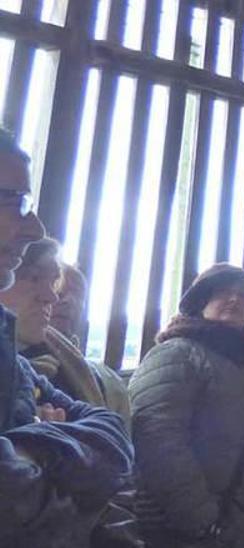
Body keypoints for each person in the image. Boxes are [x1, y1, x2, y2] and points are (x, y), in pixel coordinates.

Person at [0, 129, 132, 547]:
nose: (33, 225)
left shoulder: (12, 359)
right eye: (13, 201)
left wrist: (32, 448)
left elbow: (114, 434)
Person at [129, 263, 244, 547]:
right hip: (195, 532)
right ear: (200, 301)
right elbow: (158, 443)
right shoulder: (177, 352)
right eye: (224, 292)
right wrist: (204, 523)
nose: (235, 299)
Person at [2, 239, 131, 427]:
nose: (52, 297)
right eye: (33, 277)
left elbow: (110, 426)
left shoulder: (31, 370)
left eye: (54, 282)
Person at [50, 261, 88, 350]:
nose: (69, 301)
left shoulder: (77, 362)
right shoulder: (15, 360)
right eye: (59, 293)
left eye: (78, 296)